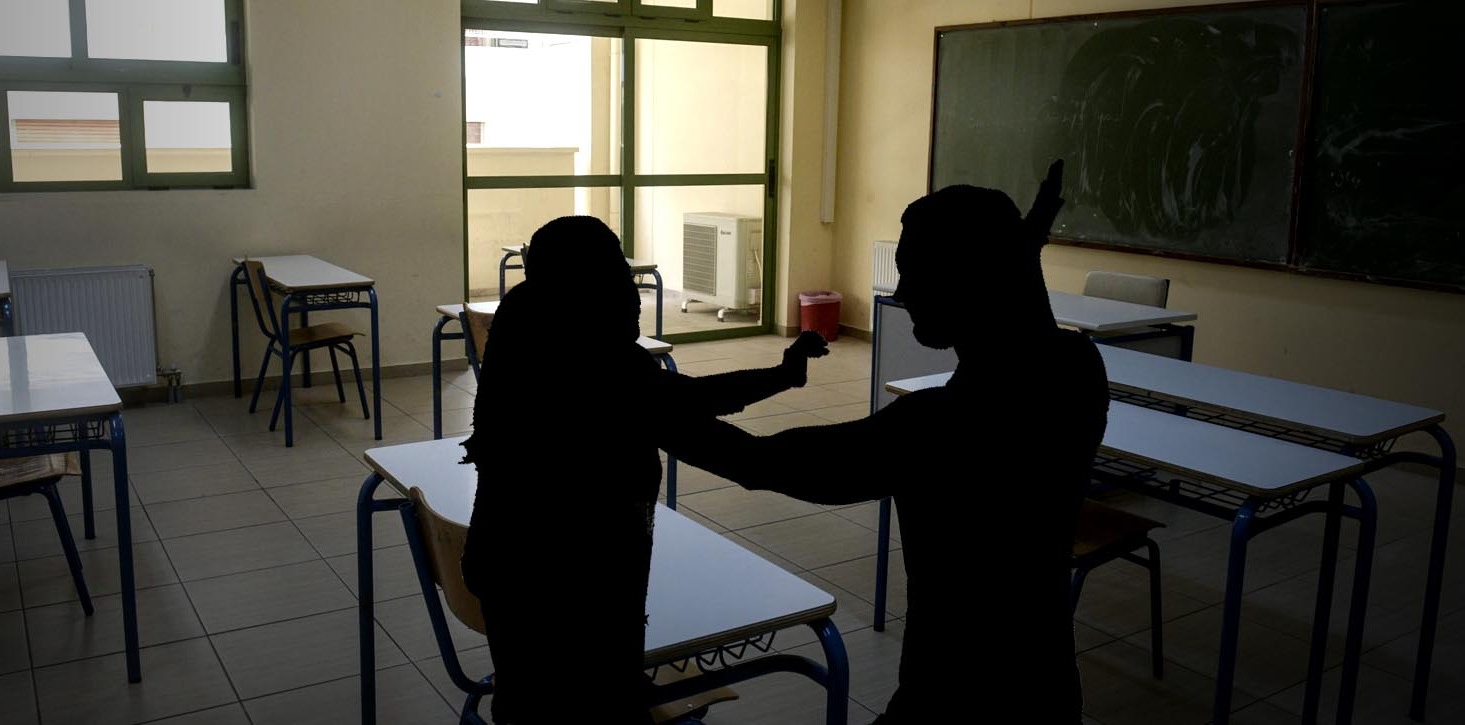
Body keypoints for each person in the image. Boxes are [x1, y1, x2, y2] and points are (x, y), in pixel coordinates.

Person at [668, 161, 1108, 723]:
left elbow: (760, 462)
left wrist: (652, 413)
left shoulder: (936, 428)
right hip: (1046, 688)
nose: (901, 292)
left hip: (949, 698)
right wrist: (1031, 235)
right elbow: (1012, 285)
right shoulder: (1077, 369)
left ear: (969, 281)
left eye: (916, 273)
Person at [459, 215, 830, 724]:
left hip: (510, 584)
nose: (634, 297)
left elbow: (679, 404)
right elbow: (739, 453)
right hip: (579, 611)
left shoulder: (526, 324)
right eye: (617, 280)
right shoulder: (602, 372)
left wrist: (782, 375)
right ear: (582, 291)